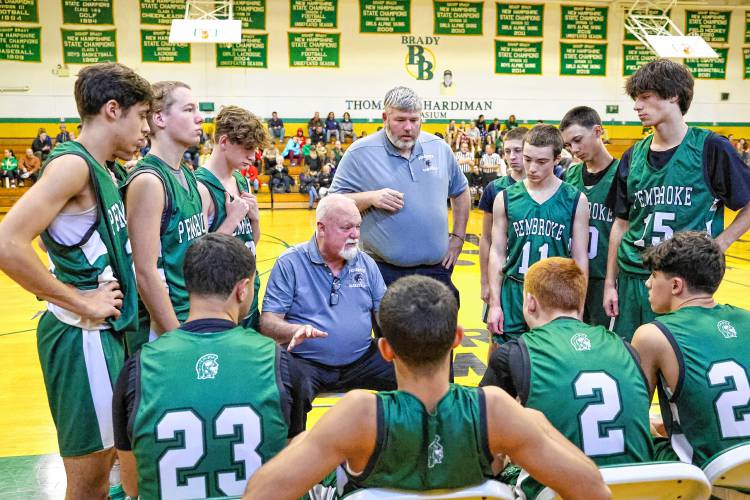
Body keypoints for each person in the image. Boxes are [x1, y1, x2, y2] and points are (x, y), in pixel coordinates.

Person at [245, 275, 610, 500]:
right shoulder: (496, 410)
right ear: (457, 339)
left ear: (385, 349)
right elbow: (594, 489)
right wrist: (536, 423)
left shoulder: (358, 415)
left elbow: (260, 493)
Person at [0, 62, 151, 499]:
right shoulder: (72, 166)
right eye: (141, 116)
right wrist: (81, 301)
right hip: (81, 336)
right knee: (90, 484)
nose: (145, 128)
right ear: (111, 110)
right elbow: (8, 243)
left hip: (109, 334)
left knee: (117, 471)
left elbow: (60, 240)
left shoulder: (106, 169)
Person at [113, 233, 305, 499]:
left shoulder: (137, 368)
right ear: (243, 289)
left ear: (188, 285)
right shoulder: (278, 361)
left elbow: (132, 485)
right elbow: (292, 471)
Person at [481, 258, 653, 499]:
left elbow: (482, 443)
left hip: (559, 493)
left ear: (530, 302)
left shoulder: (514, 352)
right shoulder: (626, 348)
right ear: (580, 303)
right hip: (637, 489)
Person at [604, 59, 750, 341]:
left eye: (645, 97)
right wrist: (611, 282)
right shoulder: (632, 155)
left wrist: (722, 242)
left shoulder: (710, 147)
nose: (637, 106)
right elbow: (620, 225)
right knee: (633, 370)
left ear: (674, 95)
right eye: (636, 99)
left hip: (686, 283)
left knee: (681, 372)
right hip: (634, 277)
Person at [260, 194, 395, 420]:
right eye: (346, 227)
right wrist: (294, 330)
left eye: (358, 226)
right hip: (307, 362)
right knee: (287, 390)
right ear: (321, 228)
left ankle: (402, 444)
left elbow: (385, 315)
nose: (355, 234)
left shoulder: (366, 263)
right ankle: (295, 449)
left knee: (411, 374)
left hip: (362, 359)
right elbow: (268, 321)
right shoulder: (290, 263)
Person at [331, 86, 470, 302]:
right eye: (400, 120)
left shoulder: (439, 148)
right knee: (390, 336)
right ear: (385, 117)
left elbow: (461, 192)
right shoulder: (360, 153)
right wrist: (371, 198)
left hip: (437, 270)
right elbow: (332, 203)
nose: (408, 127)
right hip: (383, 272)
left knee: (440, 335)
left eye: (414, 120)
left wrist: (458, 238)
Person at [632, 231, 750, 468]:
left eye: (654, 275)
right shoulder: (746, 319)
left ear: (676, 285)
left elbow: (632, 421)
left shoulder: (652, 335)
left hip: (706, 473)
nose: (648, 283)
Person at [486, 124, 589, 345]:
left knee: (550, 366)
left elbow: (580, 258)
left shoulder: (575, 199)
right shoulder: (504, 198)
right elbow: (496, 252)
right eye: (527, 159)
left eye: (541, 162)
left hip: (556, 295)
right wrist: (495, 304)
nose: (532, 168)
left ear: (557, 159)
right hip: (514, 291)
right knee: (508, 365)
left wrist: (578, 307)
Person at [124, 81, 207, 350]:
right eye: (189, 109)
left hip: (191, 315)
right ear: (159, 118)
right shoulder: (149, 181)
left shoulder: (187, 173)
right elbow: (144, 273)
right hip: (161, 328)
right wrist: (178, 339)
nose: (200, 117)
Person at [195, 105, 265, 331]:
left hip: (248, 292)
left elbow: (251, 242)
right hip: (220, 302)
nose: (253, 156)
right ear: (224, 141)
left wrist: (254, 220)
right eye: (247, 148)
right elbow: (199, 259)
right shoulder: (200, 186)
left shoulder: (240, 180)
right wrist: (231, 219)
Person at [561, 106, 618, 328]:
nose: (574, 150)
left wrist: (612, 282)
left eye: (578, 140)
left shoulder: (623, 173)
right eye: (568, 145)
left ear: (597, 131)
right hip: (574, 278)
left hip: (607, 279)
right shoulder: (572, 175)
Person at [478, 127, 528, 325]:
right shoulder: (495, 188)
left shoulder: (548, 187)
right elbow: (486, 238)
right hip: (501, 274)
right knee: (497, 333)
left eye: (518, 150)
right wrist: (484, 282)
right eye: (507, 151)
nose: (512, 157)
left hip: (531, 274)